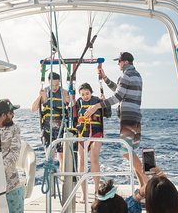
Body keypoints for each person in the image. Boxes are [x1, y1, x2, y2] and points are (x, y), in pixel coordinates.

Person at [84, 52, 147, 190]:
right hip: (136, 117)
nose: (118, 64)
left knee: (126, 152)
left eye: (118, 62)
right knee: (131, 152)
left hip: (128, 118)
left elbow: (117, 96)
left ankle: (147, 182)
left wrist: (96, 106)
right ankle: (143, 186)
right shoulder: (136, 75)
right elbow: (120, 90)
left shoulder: (126, 75)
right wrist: (105, 78)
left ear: (124, 62)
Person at [0, 98, 24, 213]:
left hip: (11, 185)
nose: (13, 115)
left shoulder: (15, 128)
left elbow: (14, 153)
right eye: (10, 113)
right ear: (3, 115)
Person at [31, 72, 70, 168]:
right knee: (50, 157)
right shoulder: (44, 92)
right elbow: (33, 109)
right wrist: (40, 96)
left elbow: (72, 108)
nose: (55, 87)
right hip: (48, 130)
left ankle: (62, 180)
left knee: (62, 157)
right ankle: (50, 181)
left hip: (61, 129)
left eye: (57, 85)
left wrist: (69, 100)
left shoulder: (64, 92)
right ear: (49, 82)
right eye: (53, 85)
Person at [75, 82, 105, 196]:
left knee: (94, 159)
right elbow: (72, 115)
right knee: (81, 162)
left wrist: (104, 102)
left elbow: (107, 113)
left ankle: (97, 190)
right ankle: (83, 193)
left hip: (95, 134)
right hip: (82, 134)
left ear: (91, 92)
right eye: (82, 94)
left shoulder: (97, 101)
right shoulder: (78, 103)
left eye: (87, 93)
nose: (85, 96)